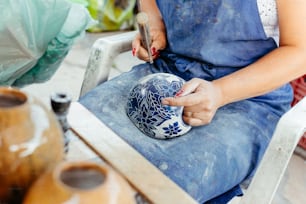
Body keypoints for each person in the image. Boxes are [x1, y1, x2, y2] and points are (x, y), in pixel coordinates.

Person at [80, 0, 306, 203]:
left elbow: (300, 52)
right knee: (74, 139)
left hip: (246, 100)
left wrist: (220, 93)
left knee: (157, 186)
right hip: (170, 68)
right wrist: (155, 22)